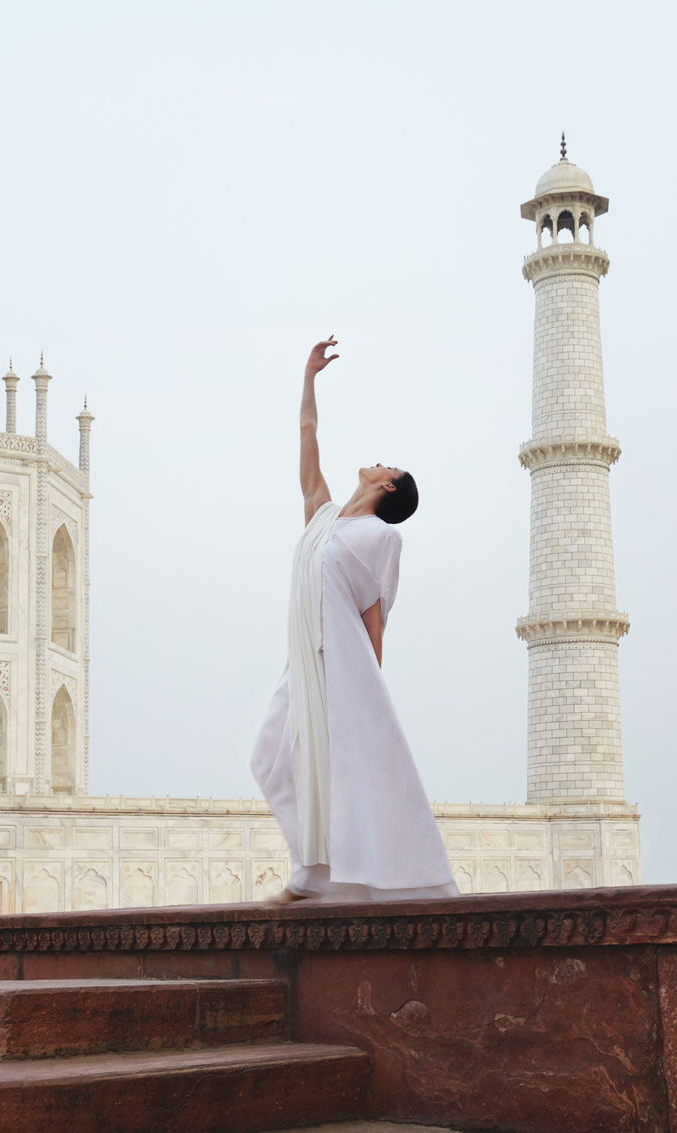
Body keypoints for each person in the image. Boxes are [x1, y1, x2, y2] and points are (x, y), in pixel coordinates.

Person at [249, 337, 459, 904]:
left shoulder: (380, 537)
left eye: (389, 465)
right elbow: (306, 436)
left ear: (387, 486)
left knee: (344, 767)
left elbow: (375, 623)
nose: (379, 458)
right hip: (304, 661)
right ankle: (317, 873)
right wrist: (308, 376)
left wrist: (367, 704)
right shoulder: (321, 514)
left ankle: (311, 880)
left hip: (340, 669)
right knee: (268, 756)